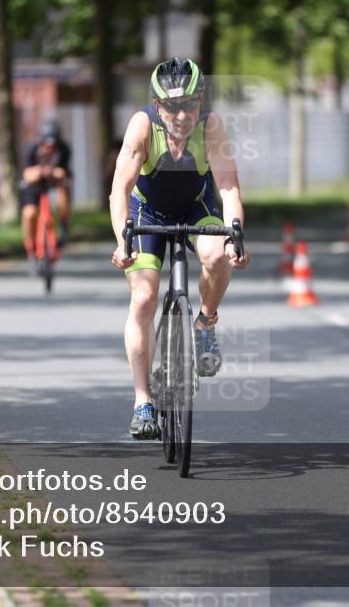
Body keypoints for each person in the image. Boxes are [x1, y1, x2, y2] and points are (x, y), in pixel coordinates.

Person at [109, 57, 251, 440]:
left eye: (189, 104)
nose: (182, 114)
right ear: (157, 106)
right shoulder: (142, 126)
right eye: (172, 106)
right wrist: (123, 242)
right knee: (143, 298)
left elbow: (228, 187)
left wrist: (236, 232)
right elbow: (119, 190)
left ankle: (205, 322)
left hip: (196, 205)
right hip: (146, 211)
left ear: (200, 101)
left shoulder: (212, 126)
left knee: (217, 254)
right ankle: (142, 402)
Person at [21, 119, 72, 272]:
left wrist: (51, 173)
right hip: (33, 185)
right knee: (30, 213)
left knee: (63, 193)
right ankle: (30, 247)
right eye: (46, 143)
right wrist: (43, 172)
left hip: (53, 182)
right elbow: (28, 174)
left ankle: (63, 227)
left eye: (53, 144)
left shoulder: (64, 149)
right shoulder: (31, 148)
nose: (50, 147)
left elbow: (64, 173)